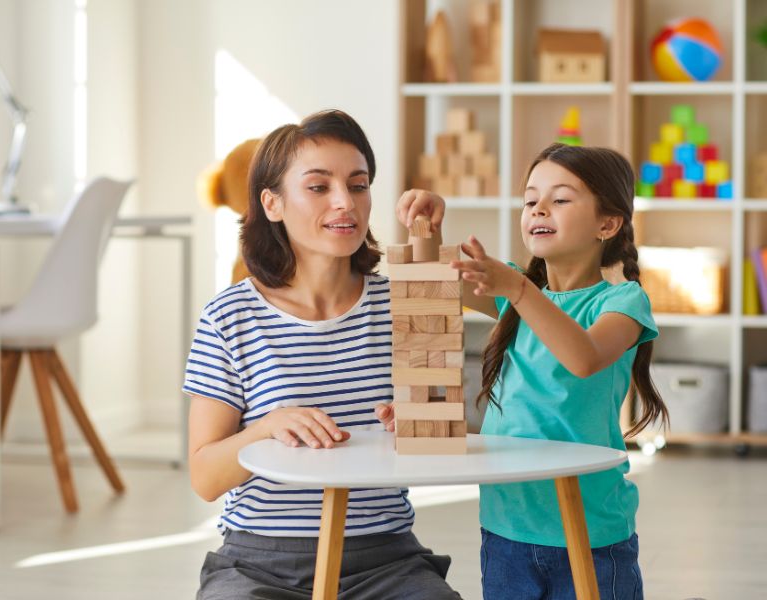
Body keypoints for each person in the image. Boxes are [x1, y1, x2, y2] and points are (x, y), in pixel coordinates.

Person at [182, 109, 461, 600]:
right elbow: (205, 477)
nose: (344, 202)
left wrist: (413, 423)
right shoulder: (228, 318)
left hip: (385, 560)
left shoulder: (401, 305)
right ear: (272, 204)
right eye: (318, 187)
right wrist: (266, 428)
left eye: (358, 185)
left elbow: (438, 433)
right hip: (258, 563)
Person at [388, 143, 668, 599]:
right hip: (506, 529)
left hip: (592, 527)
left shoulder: (623, 302)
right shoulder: (514, 291)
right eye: (530, 199)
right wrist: (430, 229)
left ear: (607, 223)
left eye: (559, 199)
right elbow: (431, 277)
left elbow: (583, 358)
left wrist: (518, 290)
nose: (538, 208)